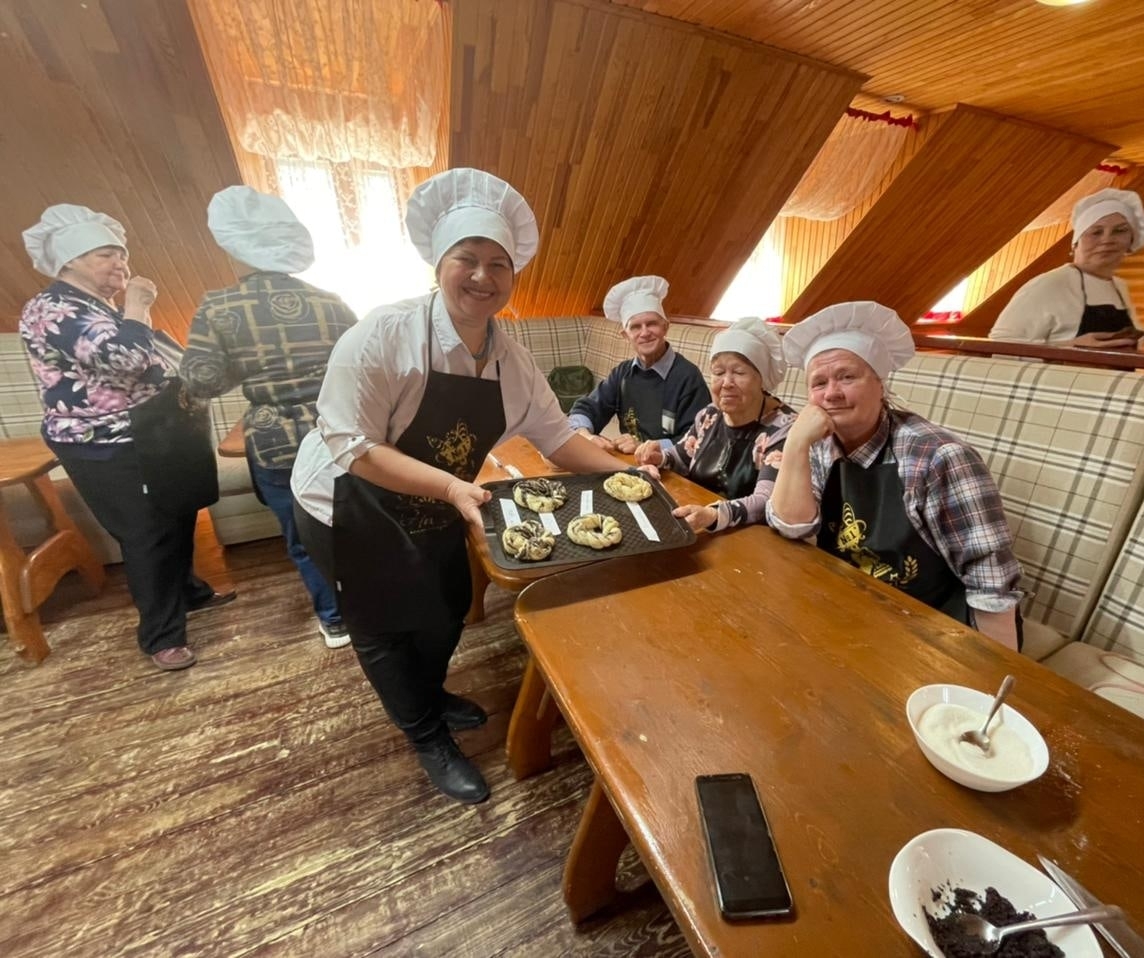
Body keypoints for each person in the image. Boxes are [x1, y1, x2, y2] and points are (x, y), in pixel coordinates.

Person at [290, 168, 640, 805]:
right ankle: (425, 734)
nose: (483, 276)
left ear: (513, 275)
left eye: (498, 263)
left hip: (439, 497)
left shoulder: (512, 358)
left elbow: (559, 440)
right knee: (383, 626)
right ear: (438, 265)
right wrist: (451, 490)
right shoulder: (383, 335)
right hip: (346, 498)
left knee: (444, 607)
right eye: (467, 259)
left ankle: (431, 694)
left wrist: (624, 474)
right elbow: (353, 445)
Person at [19, 204, 233, 671]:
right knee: (146, 533)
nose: (120, 263)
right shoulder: (52, 308)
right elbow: (126, 360)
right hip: (103, 443)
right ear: (70, 261)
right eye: (105, 255)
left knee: (176, 512)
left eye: (122, 254)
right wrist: (138, 306)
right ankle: (161, 636)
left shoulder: (96, 306)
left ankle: (189, 592)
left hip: (149, 429)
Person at [767, 302, 1023, 651]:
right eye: (819, 383)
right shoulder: (818, 444)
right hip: (853, 611)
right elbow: (792, 527)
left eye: (847, 376)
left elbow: (992, 585)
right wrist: (796, 443)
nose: (832, 393)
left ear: (880, 384)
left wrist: (993, 670)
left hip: (935, 629)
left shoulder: (939, 458)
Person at [180, 186, 357, 650]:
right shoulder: (331, 302)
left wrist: (247, 367)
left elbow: (200, 380)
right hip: (339, 435)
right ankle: (374, 605)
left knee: (303, 537)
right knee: (354, 525)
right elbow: (365, 364)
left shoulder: (219, 307)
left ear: (234, 245)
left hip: (275, 441)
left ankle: (336, 620)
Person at [635, 317, 796, 533]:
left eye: (739, 372)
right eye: (718, 373)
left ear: (762, 380)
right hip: (699, 523)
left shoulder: (784, 429)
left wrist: (714, 515)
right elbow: (683, 455)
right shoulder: (709, 414)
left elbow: (765, 501)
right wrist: (660, 458)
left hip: (750, 537)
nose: (726, 383)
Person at [989, 188, 1144, 348]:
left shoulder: (1119, 286)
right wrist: (1069, 347)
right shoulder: (1050, 284)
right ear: (1076, 243)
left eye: (1120, 231)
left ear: (1131, 241)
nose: (1107, 240)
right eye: (1096, 232)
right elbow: (1001, 344)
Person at [568, 275, 711, 456]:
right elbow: (587, 409)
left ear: (665, 327)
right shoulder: (622, 373)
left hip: (672, 468)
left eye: (651, 324)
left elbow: (700, 438)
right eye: (635, 327)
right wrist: (584, 435)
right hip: (629, 464)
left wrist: (645, 446)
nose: (644, 333)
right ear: (625, 335)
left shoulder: (688, 377)